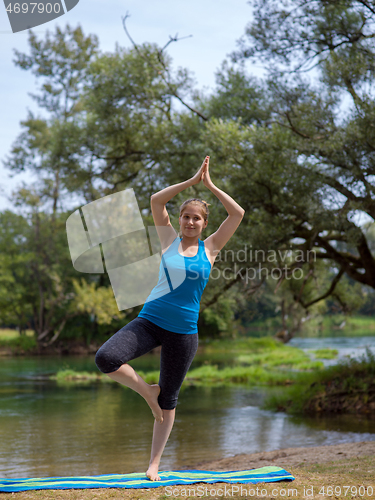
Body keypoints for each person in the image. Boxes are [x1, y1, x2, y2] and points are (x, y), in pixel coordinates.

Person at [94, 156, 245, 481]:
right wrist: (192, 181)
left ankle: (154, 465)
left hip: (184, 332)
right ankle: (146, 391)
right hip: (150, 320)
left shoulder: (212, 248)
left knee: (170, 399)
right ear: (179, 220)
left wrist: (210, 186)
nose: (190, 222)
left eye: (196, 219)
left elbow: (238, 214)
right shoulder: (168, 242)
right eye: (186, 217)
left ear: (204, 224)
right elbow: (155, 200)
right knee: (106, 357)